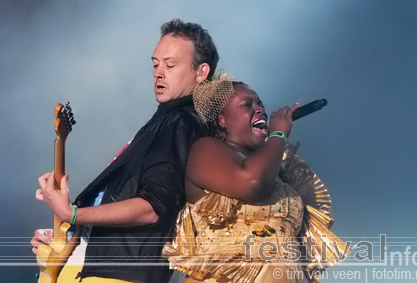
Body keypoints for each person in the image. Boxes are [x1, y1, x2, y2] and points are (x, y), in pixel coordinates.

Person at [32, 19, 219, 283]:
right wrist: (71, 234)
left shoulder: (180, 122)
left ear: (201, 72)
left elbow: (152, 207)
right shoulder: (165, 121)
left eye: (171, 64)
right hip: (95, 267)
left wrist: (72, 214)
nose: (159, 72)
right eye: (155, 64)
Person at [163, 74, 350, 283]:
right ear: (221, 120)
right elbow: (251, 182)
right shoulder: (205, 150)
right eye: (247, 104)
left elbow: (311, 212)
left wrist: (277, 144)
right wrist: (278, 135)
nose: (259, 108)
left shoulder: (275, 173)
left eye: (260, 104)